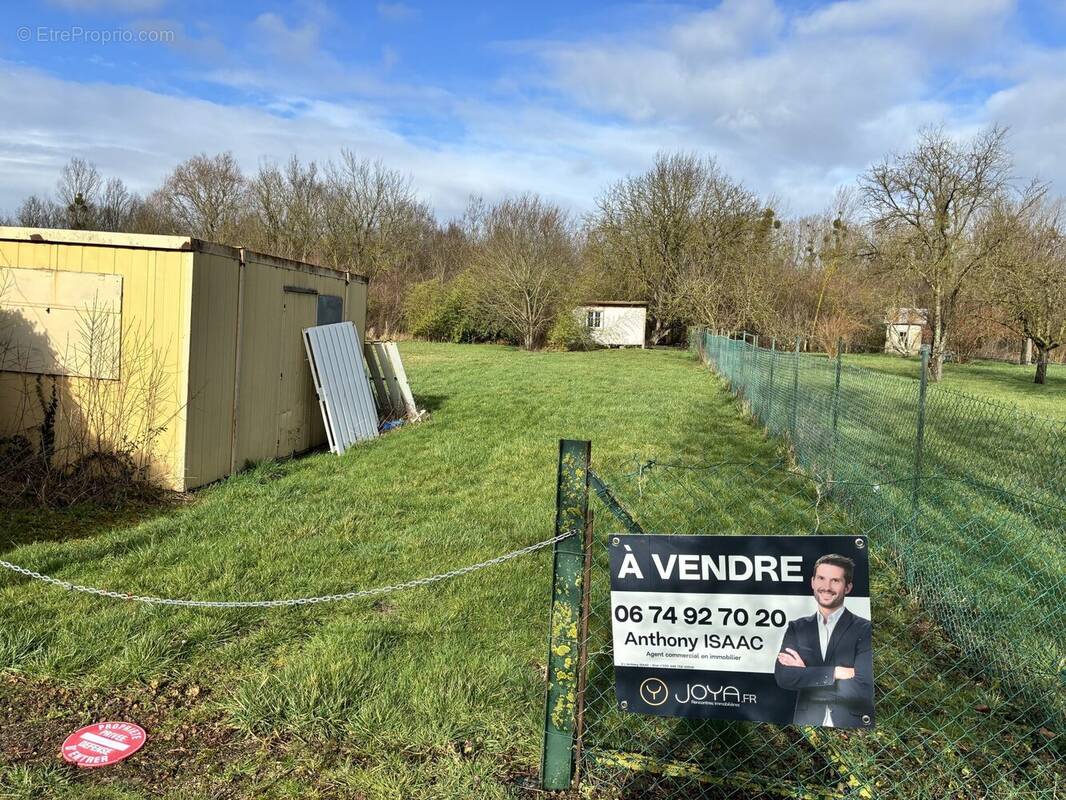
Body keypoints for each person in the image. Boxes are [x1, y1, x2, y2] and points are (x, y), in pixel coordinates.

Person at [773, 554, 874, 728]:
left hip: (853, 724)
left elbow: (863, 689)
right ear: (812, 582)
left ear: (848, 587)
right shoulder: (797, 628)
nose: (826, 587)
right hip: (806, 725)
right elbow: (784, 677)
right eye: (821, 578)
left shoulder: (864, 629)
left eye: (835, 580)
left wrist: (807, 674)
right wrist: (835, 672)